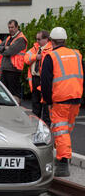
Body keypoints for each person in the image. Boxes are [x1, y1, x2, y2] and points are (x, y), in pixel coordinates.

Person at [41, 27, 84, 177]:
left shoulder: (51, 56)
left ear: (51, 41)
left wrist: (47, 100)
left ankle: (63, 164)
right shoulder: (76, 54)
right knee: (66, 130)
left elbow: (45, 81)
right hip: (76, 97)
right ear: (65, 40)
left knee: (61, 131)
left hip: (60, 99)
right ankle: (62, 155)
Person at [24, 30, 53, 125]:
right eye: (36, 39)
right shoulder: (36, 47)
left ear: (46, 39)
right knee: (35, 108)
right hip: (35, 80)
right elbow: (26, 59)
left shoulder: (51, 49)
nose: (37, 41)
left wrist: (37, 56)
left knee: (45, 109)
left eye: (39, 39)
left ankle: (45, 130)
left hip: (43, 80)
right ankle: (35, 128)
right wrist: (36, 57)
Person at [0, 20, 28, 104]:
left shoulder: (21, 39)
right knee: (4, 93)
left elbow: (9, 51)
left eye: (12, 27)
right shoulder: (9, 38)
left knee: (14, 94)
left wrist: (5, 49)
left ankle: (16, 111)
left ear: (17, 27)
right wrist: (5, 48)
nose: (10, 29)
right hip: (6, 68)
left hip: (14, 69)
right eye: (9, 27)